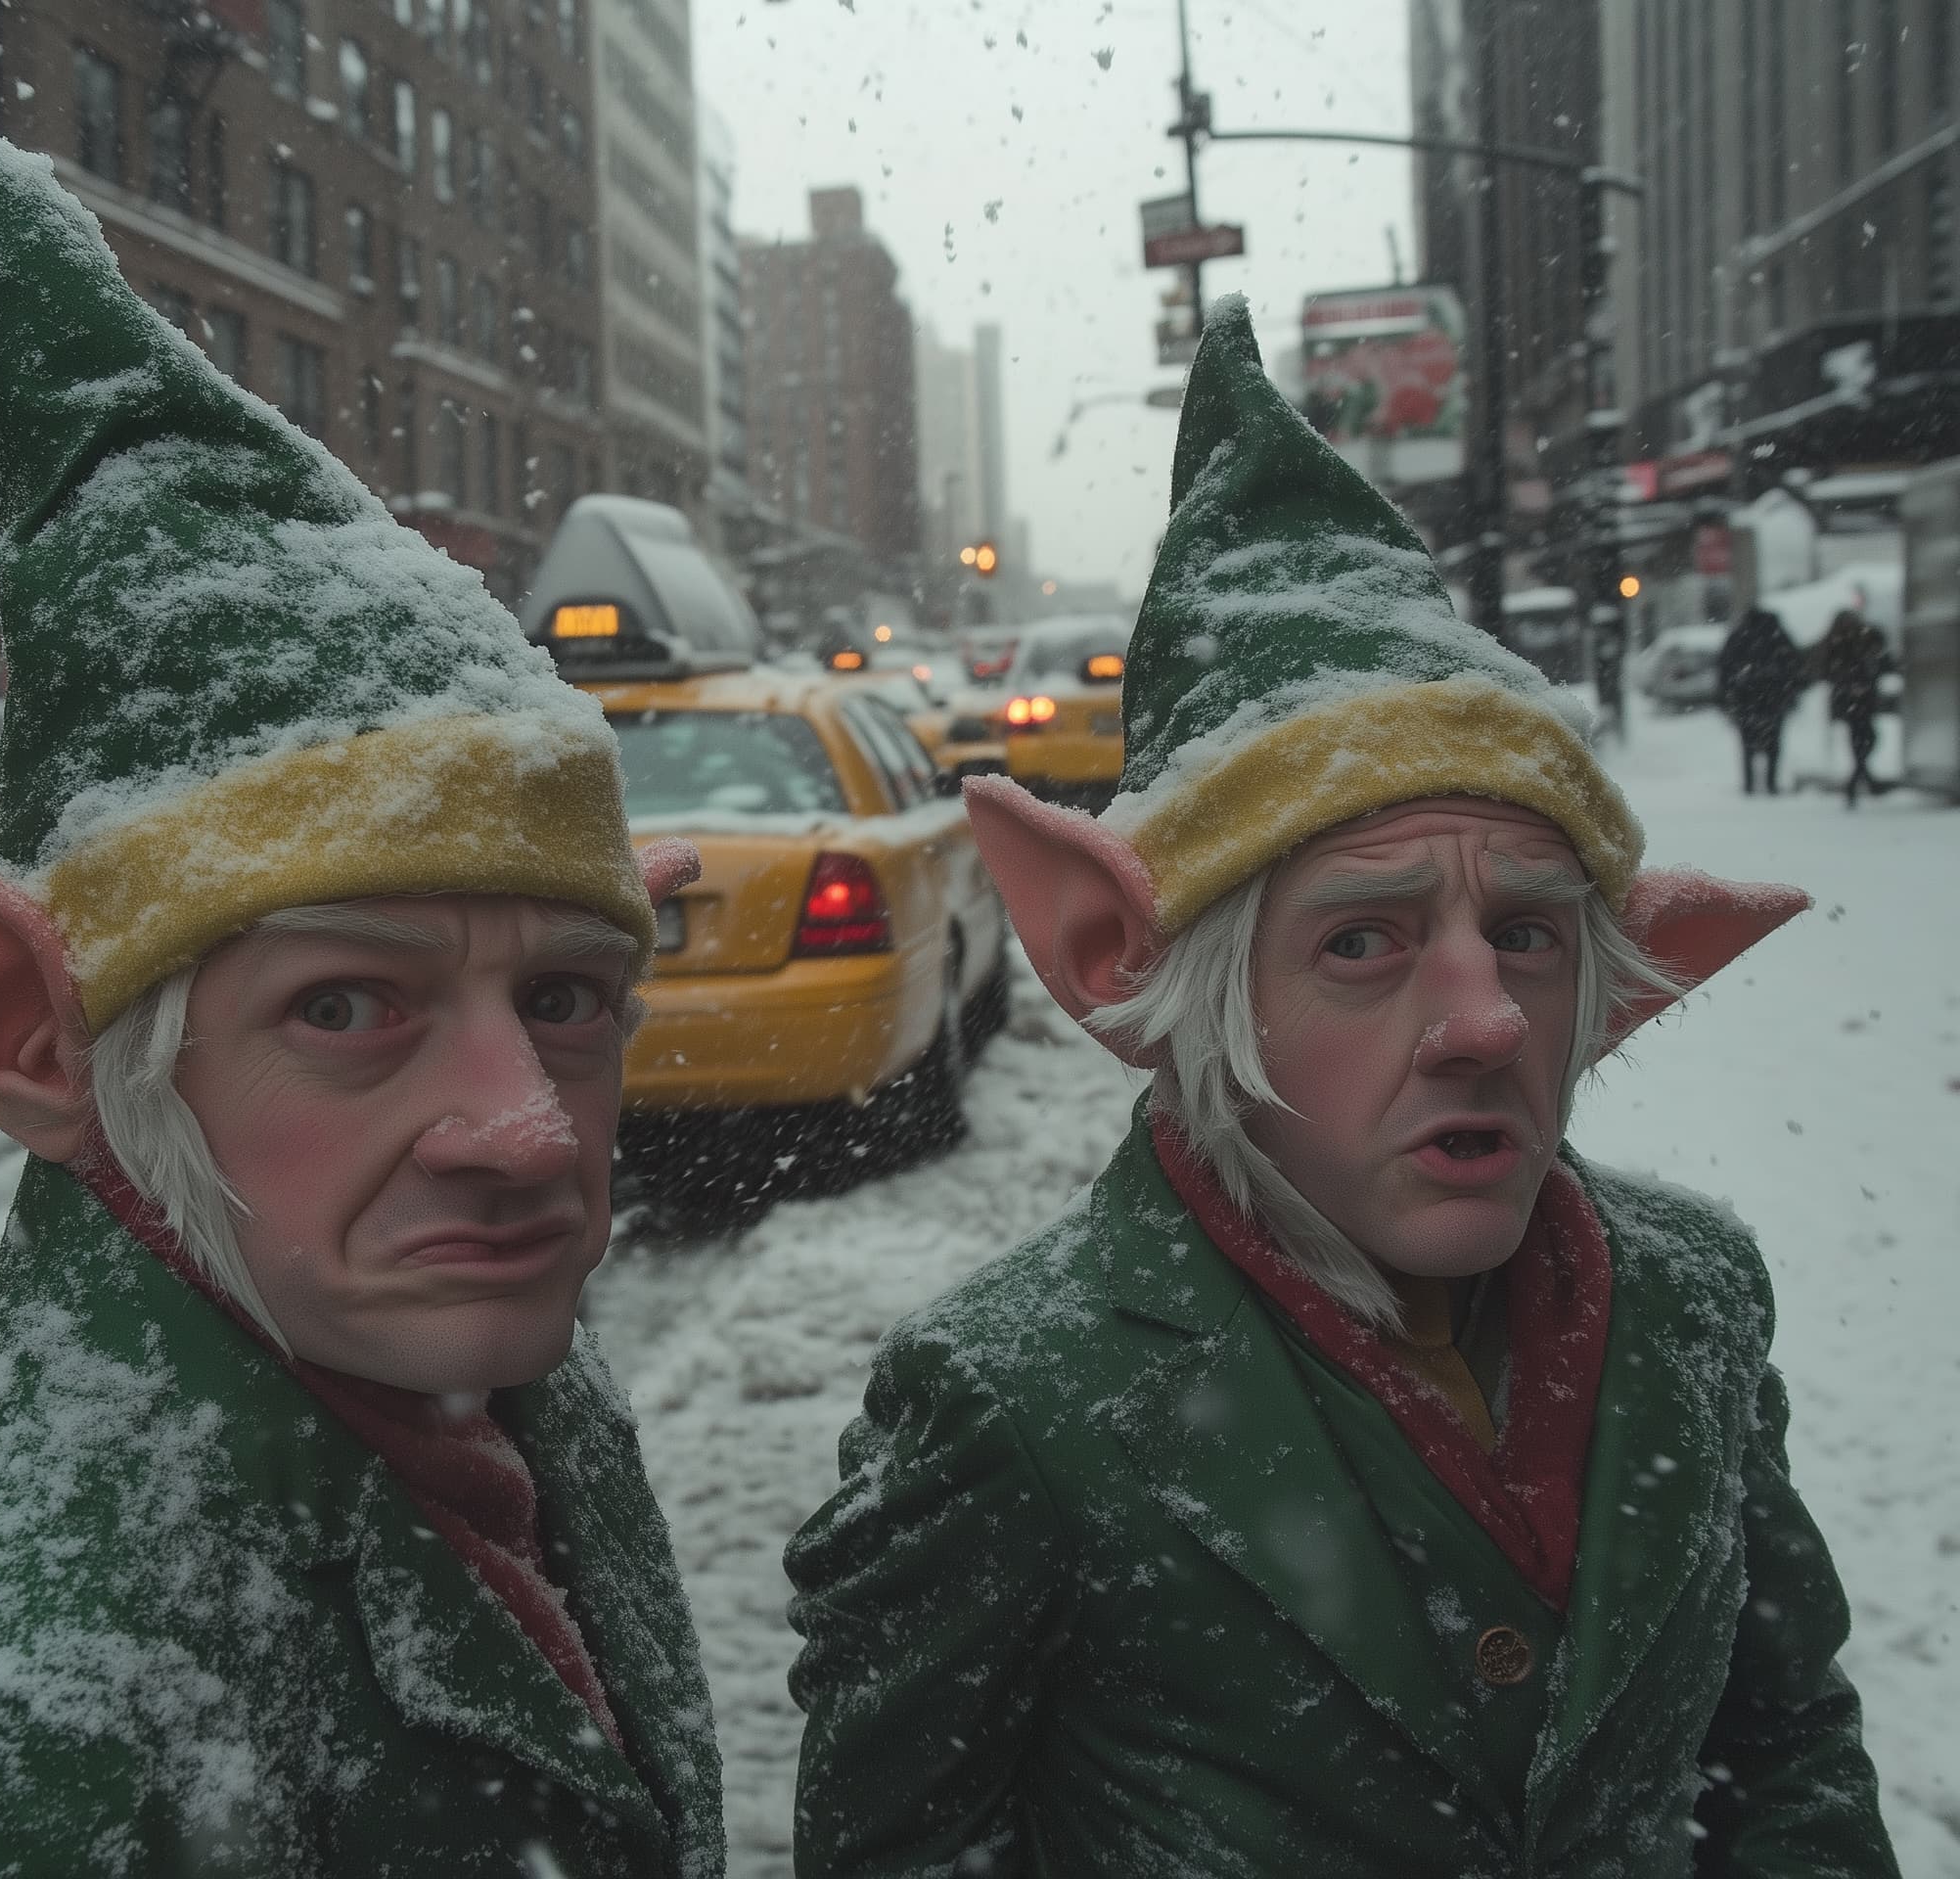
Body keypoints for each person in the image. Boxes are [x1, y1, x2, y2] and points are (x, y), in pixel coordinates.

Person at [785, 298, 1895, 1878]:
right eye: (1364, 941)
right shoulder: (1014, 1409)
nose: (1484, 1022)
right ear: (1180, 994)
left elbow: (1784, 1753)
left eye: (1525, 933)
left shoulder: (1693, 1302)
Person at [0, 129, 723, 1879]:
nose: (522, 1127)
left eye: (566, 996)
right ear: (37, 1042)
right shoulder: (2, 1739)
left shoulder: (461, 1369)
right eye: (349, 1007)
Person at [1717, 604, 1804, 794]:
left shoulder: (1740, 636)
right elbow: (1794, 664)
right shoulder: (1778, 635)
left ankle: (1749, 783)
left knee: (1747, 743)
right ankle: (1770, 782)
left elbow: (1725, 666)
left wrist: (1727, 693)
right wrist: (1790, 690)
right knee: (1774, 741)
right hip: (1773, 697)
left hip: (1746, 698)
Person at [1822, 607, 1893, 806]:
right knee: (1864, 738)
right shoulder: (1844, 643)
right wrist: (1853, 685)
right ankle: (1860, 780)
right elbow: (1833, 670)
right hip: (1855, 699)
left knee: (1863, 739)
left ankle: (1859, 780)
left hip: (1857, 700)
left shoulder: (1852, 640)